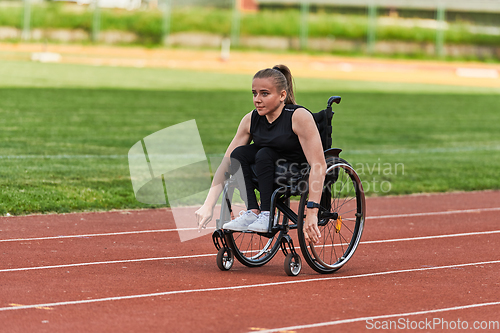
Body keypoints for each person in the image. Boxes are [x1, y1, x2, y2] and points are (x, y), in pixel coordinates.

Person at [195, 65, 326, 244]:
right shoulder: (251, 119)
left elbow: (319, 164)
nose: (257, 99)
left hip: (296, 171)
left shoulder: (298, 116)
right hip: (266, 166)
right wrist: (208, 204)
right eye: (254, 93)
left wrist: (312, 211)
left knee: (264, 153)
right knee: (238, 153)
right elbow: (226, 163)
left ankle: (267, 214)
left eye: (265, 94)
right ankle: (253, 211)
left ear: (282, 95)